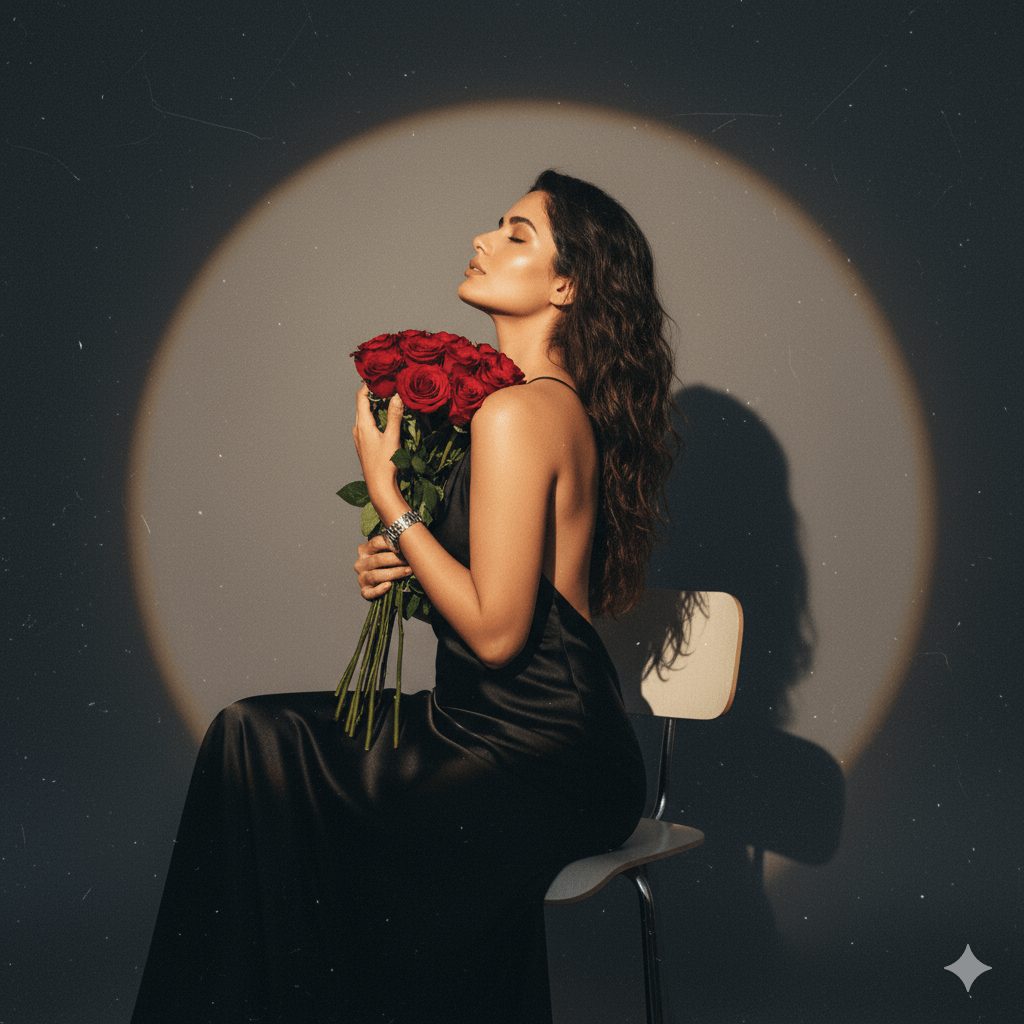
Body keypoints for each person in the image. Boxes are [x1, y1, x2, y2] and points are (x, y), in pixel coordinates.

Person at [131, 169, 679, 1024]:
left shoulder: (518, 414)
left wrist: (390, 500)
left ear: (566, 285)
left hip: (538, 752)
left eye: (517, 233)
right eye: (496, 225)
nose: (483, 239)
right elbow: (519, 603)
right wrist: (401, 566)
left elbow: (499, 636)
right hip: (494, 726)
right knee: (255, 738)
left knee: (265, 757)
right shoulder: (529, 408)